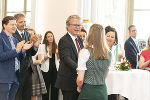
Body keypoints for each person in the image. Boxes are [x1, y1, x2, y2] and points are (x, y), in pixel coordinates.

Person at [0, 16, 33, 100]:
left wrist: (23, 50)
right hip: (4, 77)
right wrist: (17, 50)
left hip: (15, 76)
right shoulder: (1, 38)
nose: (15, 26)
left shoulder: (14, 40)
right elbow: (1, 56)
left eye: (15, 24)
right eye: (12, 24)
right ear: (4, 25)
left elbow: (18, 58)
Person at [77, 24, 111, 100]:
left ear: (90, 34)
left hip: (88, 91)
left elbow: (80, 79)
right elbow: (105, 74)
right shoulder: (109, 53)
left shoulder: (85, 52)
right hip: (102, 91)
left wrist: (79, 87)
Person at [13, 13, 42, 100]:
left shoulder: (28, 34)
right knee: (17, 94)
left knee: (27, 94)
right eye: (21, 22)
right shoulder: (12, 35)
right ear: (15, 23)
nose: (23, 24)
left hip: (29, 69)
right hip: (17, 70)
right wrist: (23, 48)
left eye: (24, 21)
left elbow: (32, 53)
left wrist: (36, 46)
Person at [55, 15, 84, 100]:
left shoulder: (79, 39)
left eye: (79, 25)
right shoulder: (64, 40)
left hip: (78, 79)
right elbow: (66, 59)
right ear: (67, 26)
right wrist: (80, 69)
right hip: (68, 81)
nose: (77, 27)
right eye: (75, 25)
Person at [38, 31, 59, 100]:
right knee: (46, 90)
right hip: (46, 70)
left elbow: (59, 60)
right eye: (48, 36)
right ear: (46, 38)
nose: (50, 38)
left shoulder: (56, 46)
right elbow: (40, 60)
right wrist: (48, 55)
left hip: (55, 70)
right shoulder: (42, 46)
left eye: (51, 36)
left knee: (55, 90)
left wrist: (58, 54)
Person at [27, 28, 47, 100]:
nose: (32, 36)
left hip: (34, 70)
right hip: (25, 70)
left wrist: (28, 62)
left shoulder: (39, 46)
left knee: (34, 94)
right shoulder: (25, 44)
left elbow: (39, 61)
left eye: (33, 34)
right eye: (29, 34)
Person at [105, 26, 123, 100]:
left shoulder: (117, 48)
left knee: (112, 96)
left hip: (114, 79)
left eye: (112, 37)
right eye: (108, 36)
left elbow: (119, 65)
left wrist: (119, 59)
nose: (110, 38)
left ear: (115, 38)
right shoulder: (101, 48)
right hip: (104, 78)